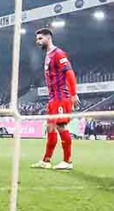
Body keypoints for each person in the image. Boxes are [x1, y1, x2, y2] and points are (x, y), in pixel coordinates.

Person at [30, 29, 78, 170]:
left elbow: (69, 73)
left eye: (40, 38)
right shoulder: (48, 55)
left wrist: (73, 94)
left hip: (61, 97)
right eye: (37, 39)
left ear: (48, 38)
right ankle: (46, 160)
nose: (37, 42)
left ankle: (67, 161)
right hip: (52, 99)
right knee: (50, 127)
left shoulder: (58, 54)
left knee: (60, 126)